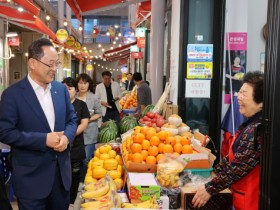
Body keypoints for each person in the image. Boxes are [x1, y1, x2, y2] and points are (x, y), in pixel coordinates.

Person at [0, 38, 77, 210]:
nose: (54, 69)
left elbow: (72, 120)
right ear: (33, 63)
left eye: (56, 64)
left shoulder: (60, 90)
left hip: (60, 179)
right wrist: (43, 140)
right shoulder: (12, 95)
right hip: (30, 181)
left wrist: (66, 138)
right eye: (50, 64)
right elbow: (5, 132)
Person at [192, 71, 264, 210]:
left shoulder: (258, 130)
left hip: (250, 201)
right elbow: (231, 159)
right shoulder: (248, 125)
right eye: (239, 92)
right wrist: (213, 174)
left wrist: (210, 188)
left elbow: (238, 166)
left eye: (244, 94)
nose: (238, 97)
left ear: (260, 102)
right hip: (240, 197)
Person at [62, 77, 90, 210]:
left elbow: (84, 124)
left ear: (75, 89)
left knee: (74, 175)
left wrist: (68, 136)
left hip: (75, 146)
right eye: (64, 88)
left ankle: (71, 202)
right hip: (59, 146)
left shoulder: (81, 105)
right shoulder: (57, 104)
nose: (67, 91)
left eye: (70, 88)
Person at [76, 74, 102, 165]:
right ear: (77, 84)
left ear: (89, 84)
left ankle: (85, 178)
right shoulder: (73, 97)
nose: (82, 86)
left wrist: (87, 119)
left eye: (85, 83)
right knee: (76, 158)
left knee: (86, 159)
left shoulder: (94, 98)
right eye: (80, 83)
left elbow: (99, 113)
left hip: (90, 132)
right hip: (76, 132)